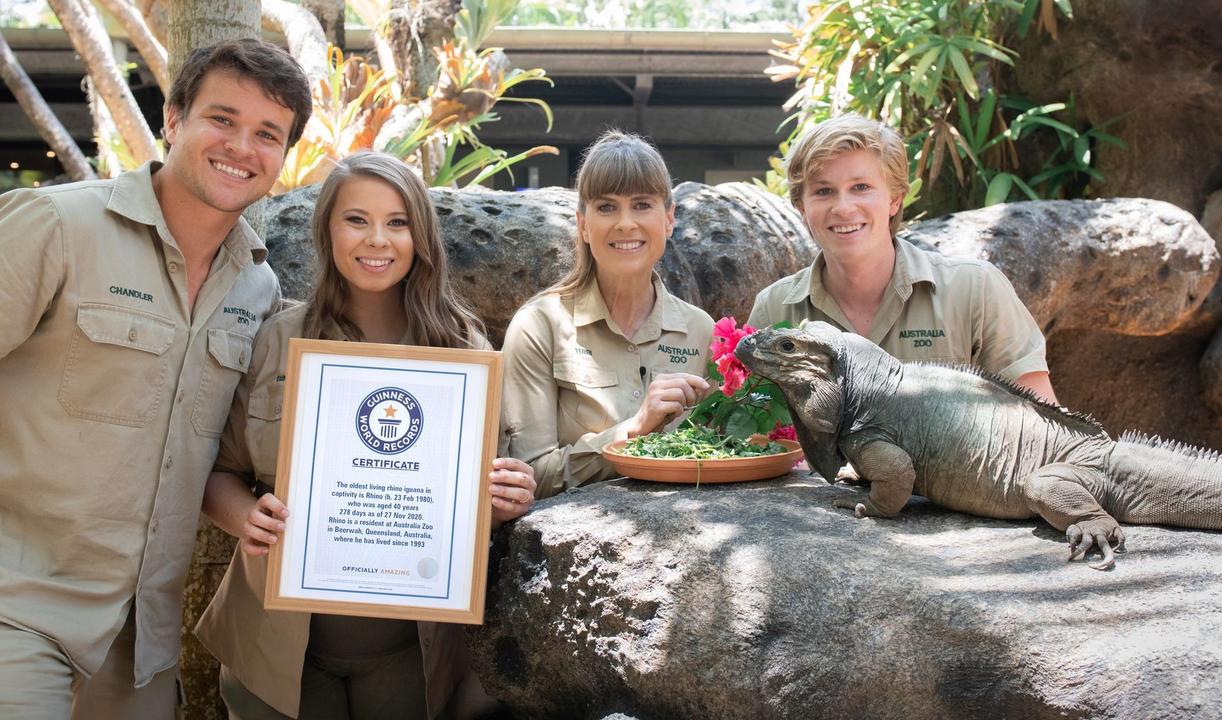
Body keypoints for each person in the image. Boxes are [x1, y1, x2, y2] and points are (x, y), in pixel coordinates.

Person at [0, 39, 311, 719]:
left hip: (142, 643)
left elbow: (195, 451)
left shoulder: (257, 287)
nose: (241, 147)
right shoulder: (58, 226)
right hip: (17, 615)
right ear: (172, 119)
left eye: (268, 134)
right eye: (221, 119)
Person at [195, 151, 537, 720]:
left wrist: (507, 498)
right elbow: (217, 471)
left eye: (397, 222)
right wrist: (244, 518)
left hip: (410, 653)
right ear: (326, 229)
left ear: (421, 235)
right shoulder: (277, 339)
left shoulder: (463, 351)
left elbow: (479, 500)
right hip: (276, 651)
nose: (377, 239)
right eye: (356, 219)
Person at [747, 113, 1057, 402]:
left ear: (894, 200)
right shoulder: (775, 308)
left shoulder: (975, 289)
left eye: (861, 187)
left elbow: (1042, 425)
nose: (843, 208)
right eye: (823, 191)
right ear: (802, 207)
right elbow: (748, 436)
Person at [501, 131, 716, 498]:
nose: (625, 223)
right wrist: (633, 430)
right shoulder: (540, 327)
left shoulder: (702, 331)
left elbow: (721, 455)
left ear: (669, 219)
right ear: (583, 224)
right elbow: (529, 477)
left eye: (642, 204)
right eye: (606, 207)